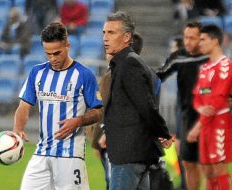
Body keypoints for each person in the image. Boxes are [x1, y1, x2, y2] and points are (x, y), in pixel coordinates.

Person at [13, 22, 103, 190]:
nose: (53, 58)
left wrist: (78, 121)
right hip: (42, 152)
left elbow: (98, 112)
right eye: (48, 54)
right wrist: (17, 129)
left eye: (57, 53)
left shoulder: (84, 75)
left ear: (67, 46)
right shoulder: (37, 73)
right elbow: (24, 106)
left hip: (70, 155)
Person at [102, 11, 173, 190]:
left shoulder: (129, 64)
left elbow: (146, 107)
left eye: (111, 33)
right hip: (134, 154)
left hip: (128, 155)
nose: (105, 38)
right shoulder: (124, 63)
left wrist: (163, 132)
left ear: (127, 37)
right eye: (104, 32)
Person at [157, 22, 209, 190]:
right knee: (188, 164)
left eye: (192, 38)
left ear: (201, 38)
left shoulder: (210, 58)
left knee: (208, 167)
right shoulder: (179, 56)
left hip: (208, 117)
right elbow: (159, 75)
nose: (187, 41)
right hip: (187, 117)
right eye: (186, 37)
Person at [91, 32, 144, 190]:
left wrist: (99, 140)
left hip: (116, 143)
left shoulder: (117, 75)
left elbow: (108, 110)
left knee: (116, 183)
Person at [187, 24, 232, 190]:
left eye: (203, 39)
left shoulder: (225, 65)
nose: (199, 43)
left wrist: (197, 127)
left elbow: (218, 99)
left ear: (215, 41)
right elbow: (197, 97)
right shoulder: (205, 68)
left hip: (219, 122)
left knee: (219, 168)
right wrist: (200, 109)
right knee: (208, 172)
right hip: (206, 123)